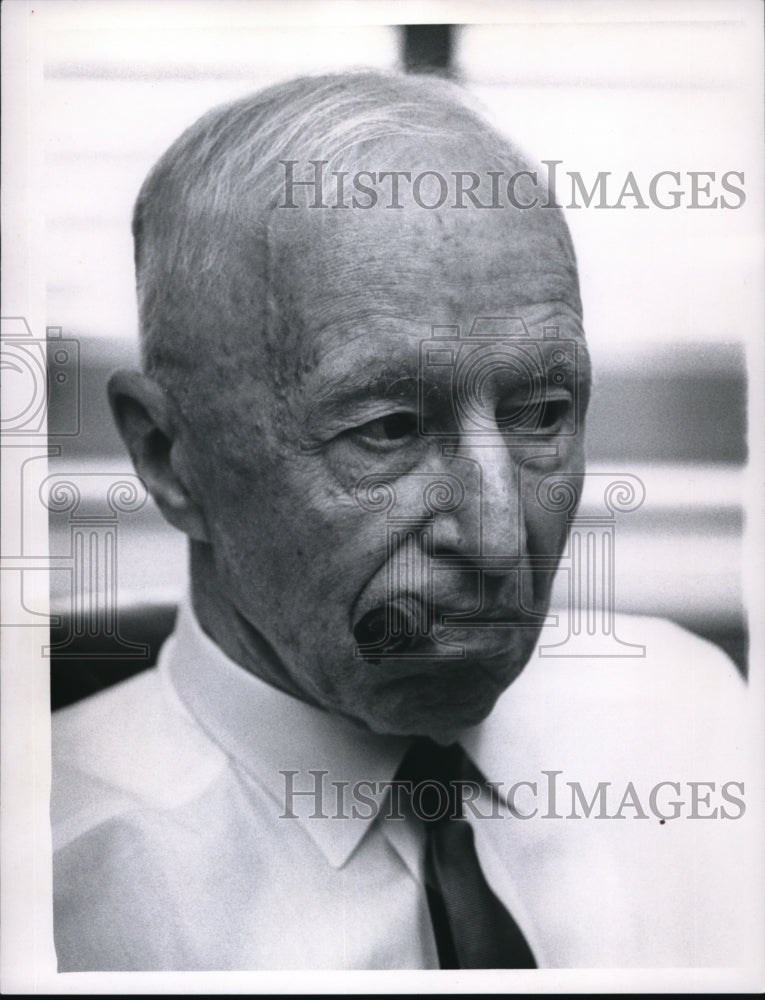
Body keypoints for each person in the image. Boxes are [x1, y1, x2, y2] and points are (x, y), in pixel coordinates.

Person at [51, 71, 754, 971]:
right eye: (386, 430)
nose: (500, 538)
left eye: (540, 412)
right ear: (165, 456)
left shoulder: (695, 722)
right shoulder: (57, 891)